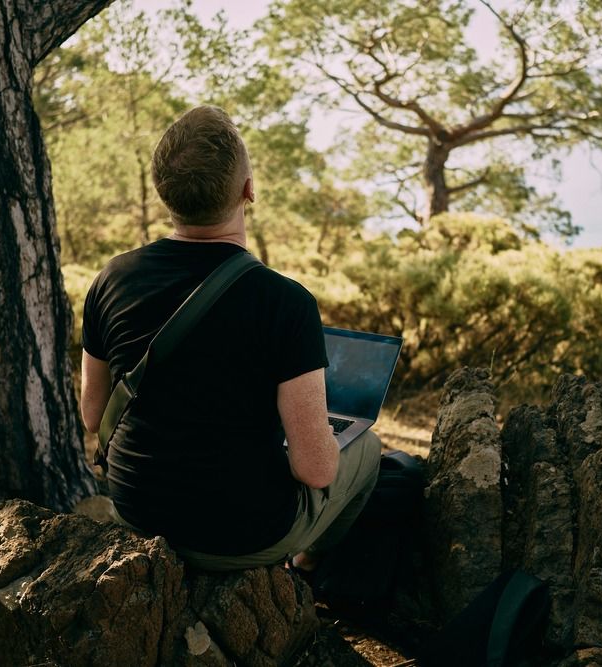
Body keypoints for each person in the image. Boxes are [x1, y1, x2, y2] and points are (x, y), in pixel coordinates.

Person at [79, 105, 381, 572]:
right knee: (369, 448)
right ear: (248, 191)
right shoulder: (285, 302)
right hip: (241, 534)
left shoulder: (111, 279)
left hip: (138, 511)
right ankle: (310, 568)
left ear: (165, 193)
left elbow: (93, 413)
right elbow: (315, 470)